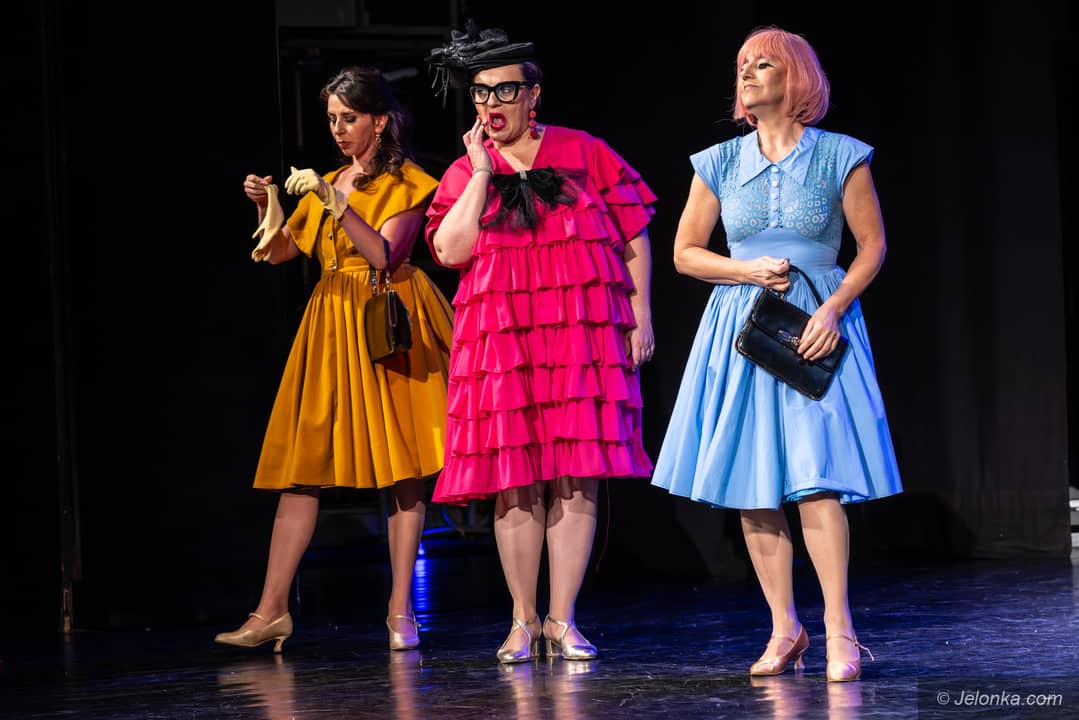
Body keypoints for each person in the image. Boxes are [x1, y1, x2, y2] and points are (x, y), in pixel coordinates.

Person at [651, 26, 903, 682]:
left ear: (795, 77)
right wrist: (745, 270)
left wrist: (833, 307)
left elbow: (871, 246)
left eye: (763, 64)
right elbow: (684, 253)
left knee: (817, 477)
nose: (747, 73)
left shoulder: (840, 155)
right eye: (742, 64)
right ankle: (783, 627)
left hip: (814, 321)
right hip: (740, 326)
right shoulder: (716, 162)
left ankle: (840, 630)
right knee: (752, 481)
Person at [422, 21, 656, 663]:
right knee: (515, 480)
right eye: (479, 93)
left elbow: (633, 234)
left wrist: (641, 313)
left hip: (581, 332)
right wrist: (479, 173)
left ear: (533, 95)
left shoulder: (584, 150)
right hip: (501, 339)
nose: (490, 105)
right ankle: (522, 621)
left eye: (504, 91)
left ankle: (562, 618)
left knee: (577, 478)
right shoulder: (465, 169)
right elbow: (450, 250)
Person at [214, 66, 453, 653]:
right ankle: (271, 610)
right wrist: (267, 204)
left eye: (349, 118)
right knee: (302, 469)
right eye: (331, 119)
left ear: (380, 120)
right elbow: (278, 252)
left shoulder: (408, 182)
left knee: (402, 469)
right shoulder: (329, 180)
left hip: (385, 322)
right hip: (330, 325)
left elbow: (385, 254)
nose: (338, 129)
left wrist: (338, 203)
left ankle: (401, 610)